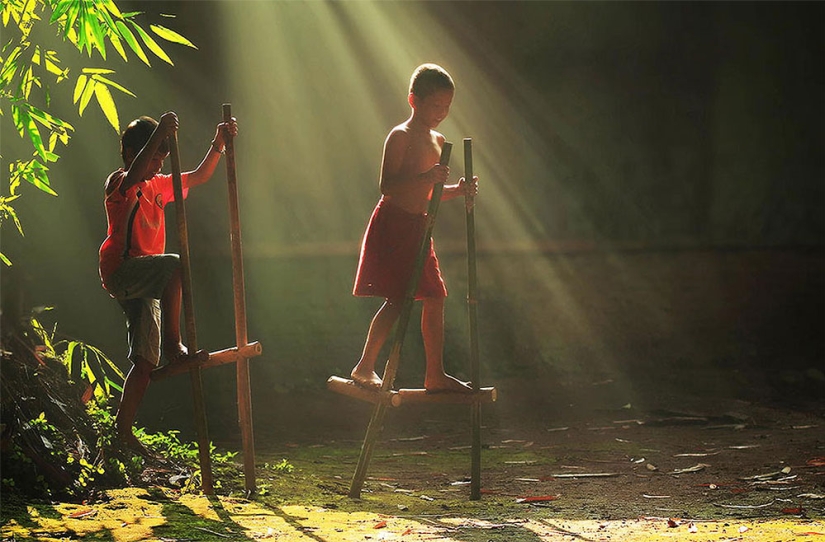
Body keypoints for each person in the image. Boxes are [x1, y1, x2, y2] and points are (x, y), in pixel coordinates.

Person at [98, 111, 237, 453]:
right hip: (124, 270)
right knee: (176, 266)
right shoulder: (120, 183)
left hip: (147, 278)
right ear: (131, 154)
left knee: (144, 361)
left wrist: (218, 145)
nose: (159, 162)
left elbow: (198, 176)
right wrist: (159, 130)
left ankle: (123, 431)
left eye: (163, 155)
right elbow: (133, 173)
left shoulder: (159, 183)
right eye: (154, 155)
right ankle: (176, 346)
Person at [350, 63, 478, 393]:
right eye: (435, 105)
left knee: (435, 297)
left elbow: (430, 192)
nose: (441, 113)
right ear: (413, 100)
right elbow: (388, 186)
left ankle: (435, 374)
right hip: (393, 224)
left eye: (447, 106)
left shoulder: (438, 140)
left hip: (420, 226)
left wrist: (458, 190)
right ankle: (364, 367)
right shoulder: (400, 136)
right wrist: (426, 178)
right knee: (398, 299)